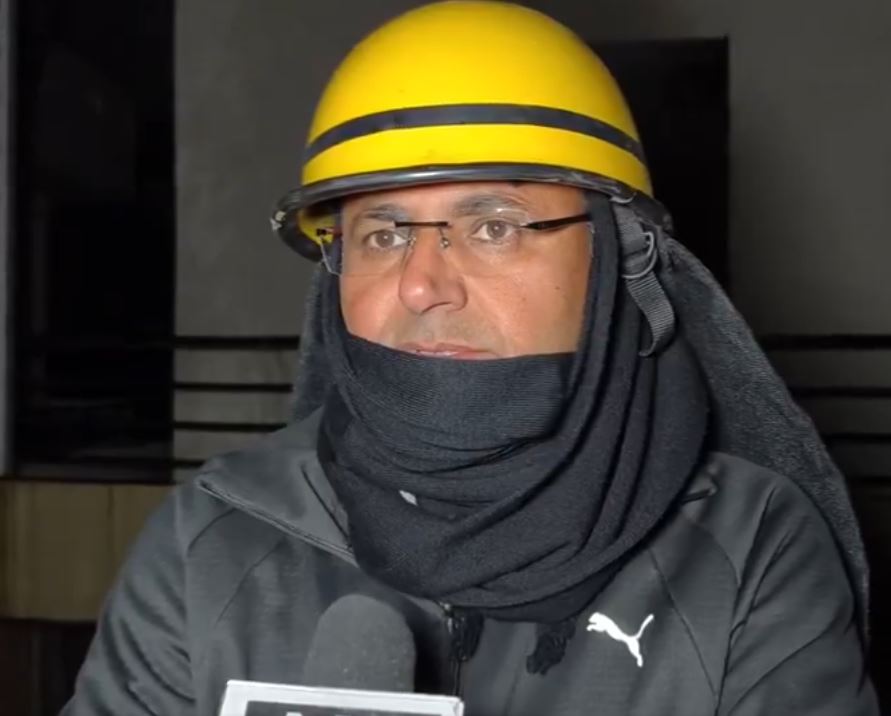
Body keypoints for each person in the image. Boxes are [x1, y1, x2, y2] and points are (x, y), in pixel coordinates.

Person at [63, 2, 879, 714]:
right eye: (383, 234)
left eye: (493, 226)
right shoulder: (212, 538)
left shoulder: (750, 547)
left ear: (614, 260)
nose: (422, 284)